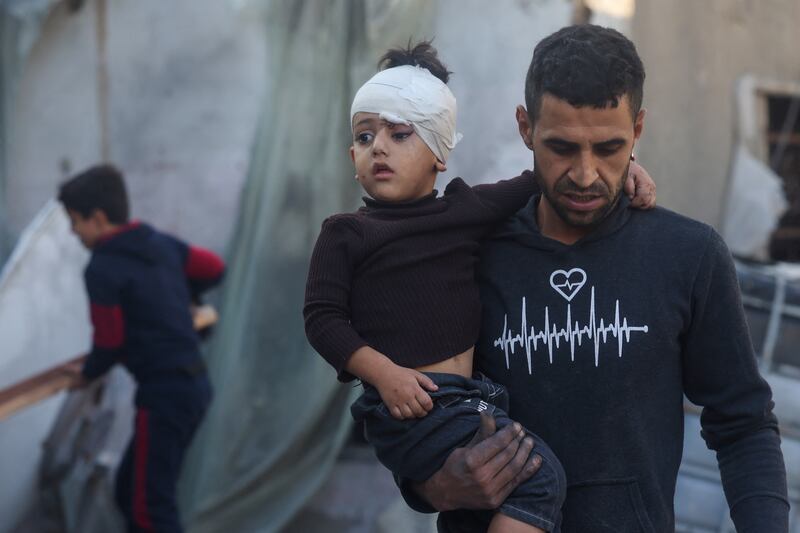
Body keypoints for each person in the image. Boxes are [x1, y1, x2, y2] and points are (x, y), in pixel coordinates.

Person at [406, 25, 789, 533]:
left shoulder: (687, 255)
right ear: (525, 127)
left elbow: (743, 424)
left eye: (609, 148)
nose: (586, 174)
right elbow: (411, 411)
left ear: (638, 129)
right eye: (561, 147)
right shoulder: (468, 254)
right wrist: (432, 485)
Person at [303, 42, 656, 532]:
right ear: (352, 155)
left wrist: (626, 168)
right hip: (414, 403)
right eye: (364, 137)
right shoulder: (347, 232)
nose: (378, 146)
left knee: (517, 481)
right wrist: (385, 375)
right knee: (539, 479)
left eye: (400, 134)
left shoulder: (463, 212)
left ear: (439, 154)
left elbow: (550, 176)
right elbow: (322, 319)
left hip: (468, 397)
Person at [58, 164, 225, 533]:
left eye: (74, 222)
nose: (73, 233)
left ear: (98, 219)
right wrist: (185, 298)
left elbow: (109, 341)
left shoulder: (101, 267)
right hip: (194, 388)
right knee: (129, 492)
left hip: (164, 396)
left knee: (150, 510)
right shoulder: (160, 243)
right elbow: (214, 268)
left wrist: (85, 375)